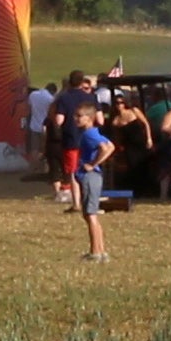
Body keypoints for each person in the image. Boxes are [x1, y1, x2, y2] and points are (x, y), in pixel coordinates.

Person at [65, 79, 114, 262]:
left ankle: (95, 252)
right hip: (91, 176)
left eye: (79, 116)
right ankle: (100, 251)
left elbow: (107, 148)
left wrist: (93, 164)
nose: (75, 119)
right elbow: (111, 145)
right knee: (90, 214)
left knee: (90, 214)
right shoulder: (93, 133)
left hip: (90, 176)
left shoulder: (89, 133)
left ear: (90, 118)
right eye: (75, 116)